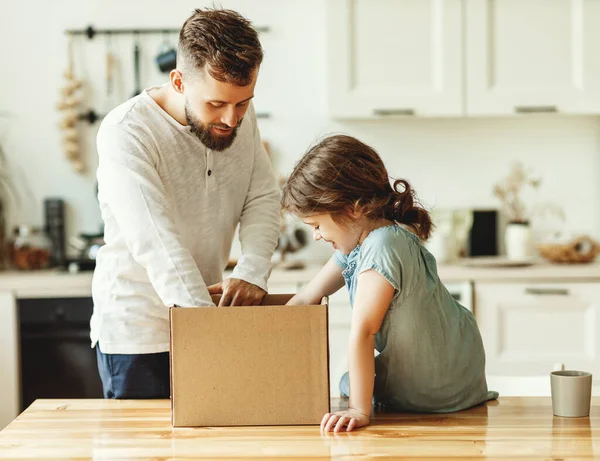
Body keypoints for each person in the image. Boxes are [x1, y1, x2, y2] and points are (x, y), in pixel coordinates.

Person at [90, 8, 281, 399]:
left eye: (243, 103)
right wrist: (209, 331)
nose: (231, 118)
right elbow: (156, 242)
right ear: (178, 81)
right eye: (216, 105)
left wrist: (253, 270)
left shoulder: (237, 115)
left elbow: (261, 194)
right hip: (139, 335)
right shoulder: (126, 132)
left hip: (209, 322)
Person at [282, 135, 498, 432]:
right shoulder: (366, 238)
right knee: (352, 378)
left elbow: (364, 332)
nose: (317, 236)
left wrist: (358, 410)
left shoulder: (382, 245)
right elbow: (307, 296)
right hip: (461, 375)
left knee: (348, 382)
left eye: (317, 225)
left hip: (430, 385)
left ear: (353, 209)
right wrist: (262, 325)